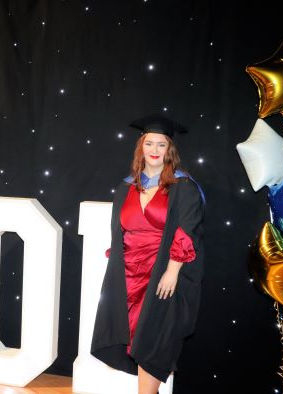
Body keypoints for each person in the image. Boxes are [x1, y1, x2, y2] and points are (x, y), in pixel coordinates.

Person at [90, 115, 205, 394]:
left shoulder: (183, 187)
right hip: (129, 279)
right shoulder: (126, 187)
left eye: (161, 144)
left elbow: (186, 232)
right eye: (149, 143)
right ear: (141, 147)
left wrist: (173, 271)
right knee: (136, 345)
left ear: (170, 150)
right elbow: (119, 234)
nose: (154, 150)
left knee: (152, 346)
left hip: (160, 279)